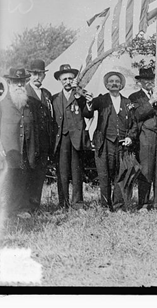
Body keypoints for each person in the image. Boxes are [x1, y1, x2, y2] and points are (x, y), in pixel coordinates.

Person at [83, 71, 137, 211]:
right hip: (104, 143)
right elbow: (87, 113)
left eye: (117, 82)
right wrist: (89, 103)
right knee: (104, 175)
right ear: (106, 85)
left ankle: (119, 206)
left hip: (122, 144)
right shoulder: (101, 100)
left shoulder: (127, 102)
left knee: (121, 174)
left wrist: (130, 137)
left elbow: (134, 124)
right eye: (111, 81)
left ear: (121, 85)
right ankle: (105, 206)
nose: (114, 84)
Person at [0, 68, 45, 220]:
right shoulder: (1, 102)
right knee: (8, 178)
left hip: (27, 147)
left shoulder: (30, 102)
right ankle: (5, 209)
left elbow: (35, 126)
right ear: (9, 82)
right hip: (9, 148)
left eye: (22, 82)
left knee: (24, 177)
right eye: (16, 82)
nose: (19, 85)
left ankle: (22, 207)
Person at [129, 67, 157, 212]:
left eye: (150, 80)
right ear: (140, 82)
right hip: (145, 137)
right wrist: (150, 102)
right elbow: (136, 115)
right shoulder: (134, 97)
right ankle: (143, 203)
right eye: (145, 80)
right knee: (146, 170)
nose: (148, 82)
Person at [52, 64, 88, 210]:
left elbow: (88, 113)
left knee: (76, 171)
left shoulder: (80, 96)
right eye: (64, 79)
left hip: (76, 139)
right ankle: (63, 203)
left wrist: (80, 96)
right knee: (62, 172)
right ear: (60, 80)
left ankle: (78, 203)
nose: (67, 81)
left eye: (70, 79)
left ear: (74, 80)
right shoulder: (54, 98)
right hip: (61, 140)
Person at [25, 59, 56, 211]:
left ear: (44, 76)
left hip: (44, 141)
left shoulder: (47, 94)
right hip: (29, 141)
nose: (37, 78)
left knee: (40, 173)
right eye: (34, 74)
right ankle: (24, 206)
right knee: (27, 172)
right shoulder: (23, 92)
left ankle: (35, 205)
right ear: (30, 75)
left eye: (40, 74)